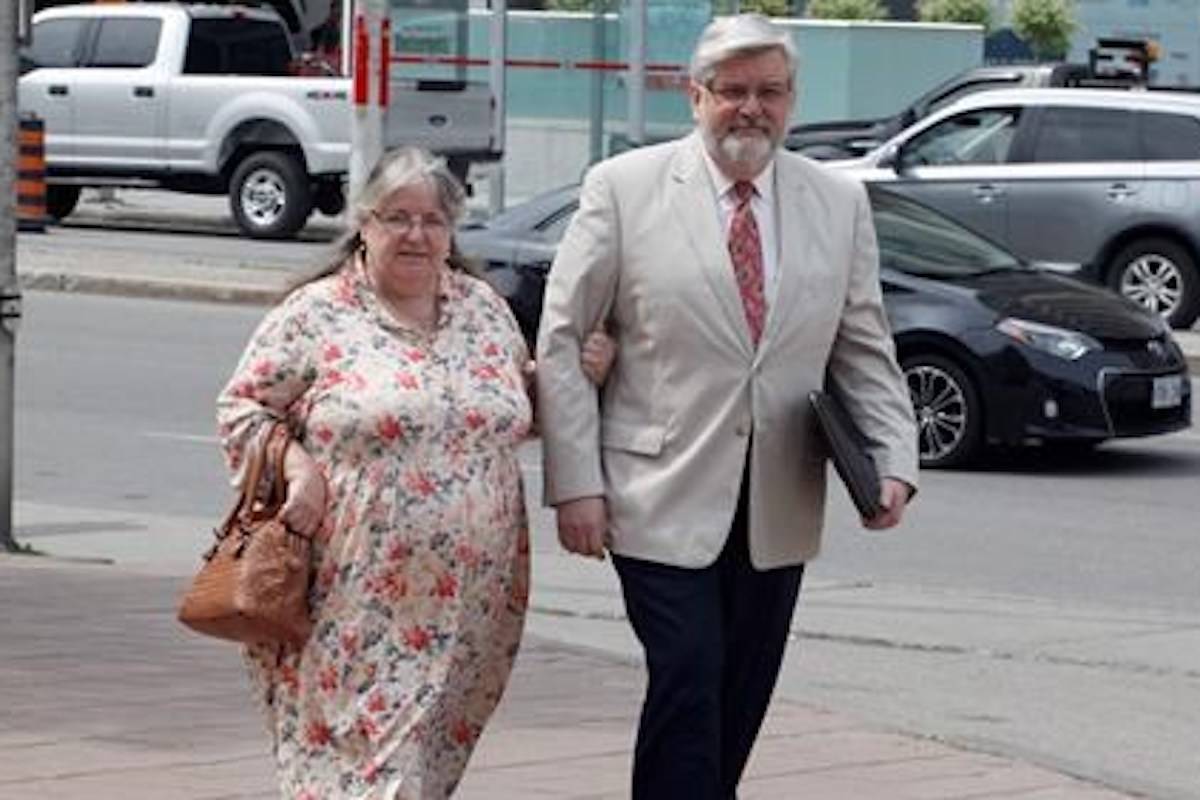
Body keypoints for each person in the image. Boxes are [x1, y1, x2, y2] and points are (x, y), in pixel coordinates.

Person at [536, 14, 919, 799]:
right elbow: (565, 340)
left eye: (770, 92)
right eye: (733, 92)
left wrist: (894, 460)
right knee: (688, 672)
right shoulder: (626, 188)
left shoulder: (836, 203)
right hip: (655, 495)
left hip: (779, 498)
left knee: (739, 691)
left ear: (792, 99)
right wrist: (576, 482)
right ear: (696, 96)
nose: (752, 109)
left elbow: (863, 345)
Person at [216, 146, 609, 799]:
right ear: (363, 224)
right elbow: (242, 407)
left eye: (432, 220)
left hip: (472, 597)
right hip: (350, 593)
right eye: (397, 217)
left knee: (426, 762)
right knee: (366, 764)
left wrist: (575, 373)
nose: (416, 235)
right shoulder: (318, 313)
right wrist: (298, 467)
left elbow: (513, 414)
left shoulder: (481, 309)